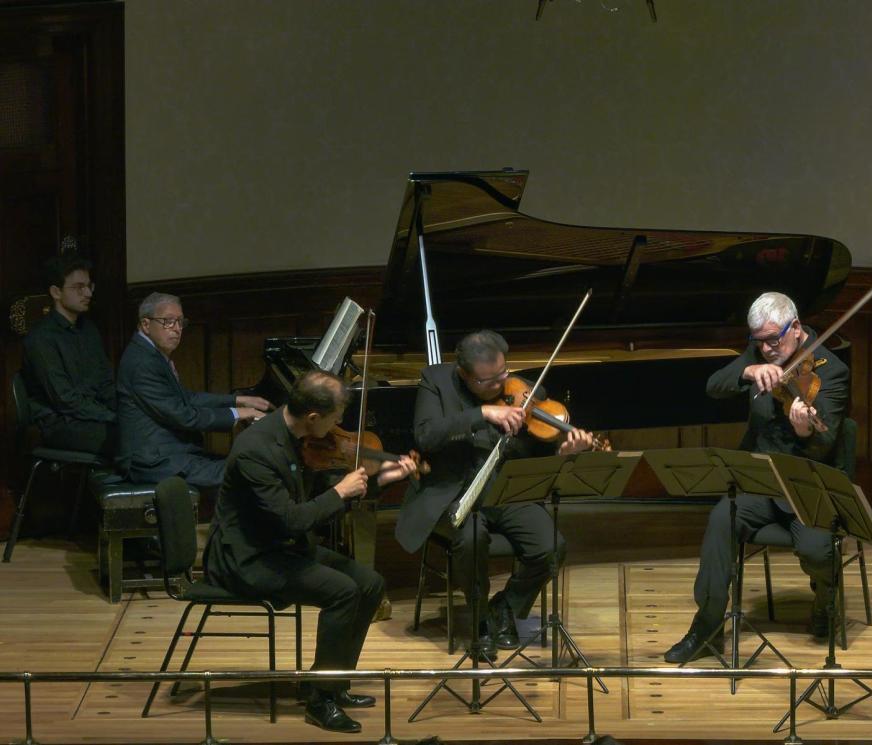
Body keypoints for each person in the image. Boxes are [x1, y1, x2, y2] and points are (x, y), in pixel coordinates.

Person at [204, 370, 419, 734]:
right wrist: (340, 492)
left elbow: (321, 490)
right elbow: (293, 519)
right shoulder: (257, 449)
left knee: (369, 583)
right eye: (336, 418)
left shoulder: (296, 436)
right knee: (343, 592)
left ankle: (331, 682)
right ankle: (321, 702)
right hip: (246, 557)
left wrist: (382, 477)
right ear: (313, 417)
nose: (340, 426)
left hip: (281, 548)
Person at [663, 291, 850, 663]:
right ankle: (707, 626)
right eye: (758, 342)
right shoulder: (761, 353)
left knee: (816, 550)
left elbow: (827, 442)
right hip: (761, 480)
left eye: (773, 340)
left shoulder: (832, 370)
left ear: (795, 328)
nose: (766, 350)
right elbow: (714, 384)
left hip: (807, 482)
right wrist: (747, 370)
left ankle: (826, 599)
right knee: (720, 520)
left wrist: (803, 431)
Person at [395, 330, 595, 659]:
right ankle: (478, 626)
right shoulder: (436, 381)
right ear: (465, 375)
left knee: (551, 548)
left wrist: (566, 449)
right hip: (453, 495)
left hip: (505, 492)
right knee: (471, 540)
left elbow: (538, 449)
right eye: (489, 382)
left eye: (504, 372)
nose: (501, 385)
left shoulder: (526, 392)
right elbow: (426, 434)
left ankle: (504, 607)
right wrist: (483, 414)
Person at [116, 292, 271, 487]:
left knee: (246, 466)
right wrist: (238, 413)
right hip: (150, 461)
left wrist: (237, 401)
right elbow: (184, 416)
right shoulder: (142, 363)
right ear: (146, 325)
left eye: (180, 322)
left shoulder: (150, 353)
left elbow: (187, 398)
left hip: (165, 451)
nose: (177, 329)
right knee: (249, 470)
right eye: (168, 322)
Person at [21, 254, 117, 455]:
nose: (88, 293)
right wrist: (110, 416)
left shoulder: (89, 329)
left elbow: (106, 382)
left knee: (147, 428)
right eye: (78, 287)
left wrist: (124, 409)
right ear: (56, 292)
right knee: (128, 436)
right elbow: (64, 399)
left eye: (89, 286)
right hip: (59, 423)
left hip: (91, 414)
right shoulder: (41, 338)